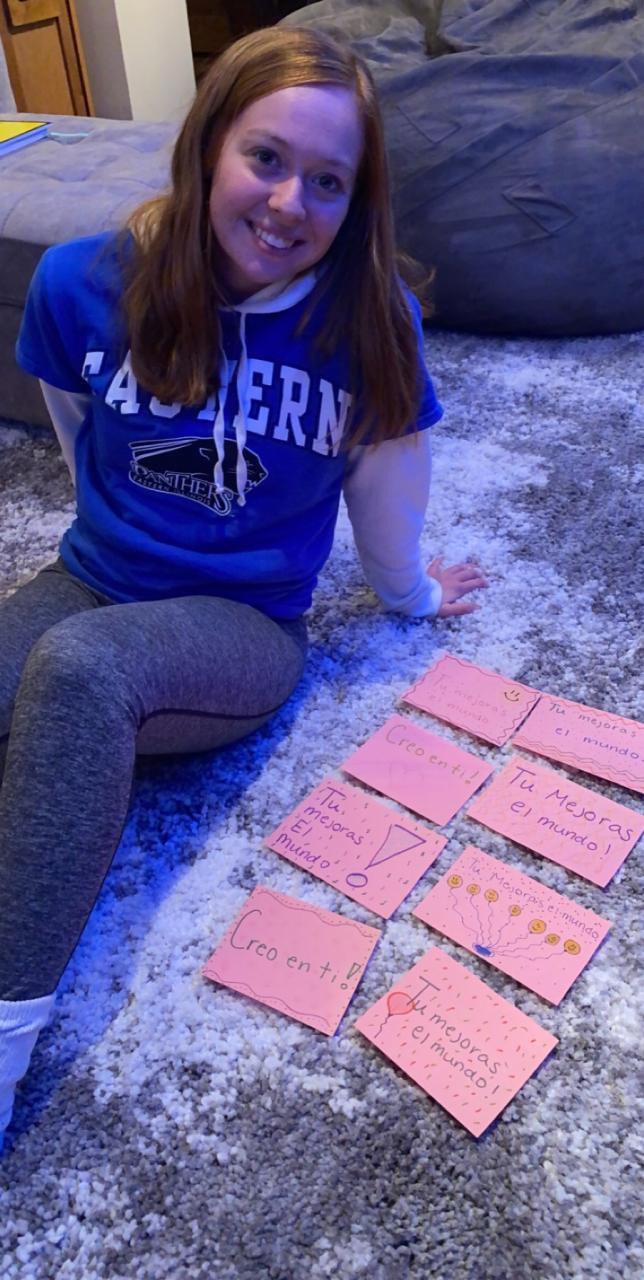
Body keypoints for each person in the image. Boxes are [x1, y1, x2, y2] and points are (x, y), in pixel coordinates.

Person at [0, 26, 487, 1149]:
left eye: (328, 182)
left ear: (357, 202)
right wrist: (105, 536)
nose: (287, 203)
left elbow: (388, 485)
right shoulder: (79, 282)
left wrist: (410, 593)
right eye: (265, 158)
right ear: (208, 144)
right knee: (41, 674)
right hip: (92, 577)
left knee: (76, 676)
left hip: (242, 628)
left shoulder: (370, 322)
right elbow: (79, 441)